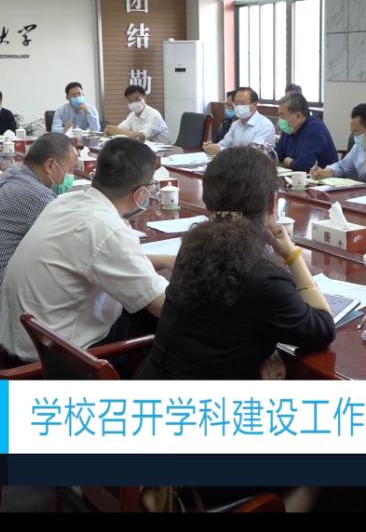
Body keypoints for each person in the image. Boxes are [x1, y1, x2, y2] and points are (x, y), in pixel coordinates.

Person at [136, 146, 335, 379]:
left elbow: (222, 324)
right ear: (273, 203)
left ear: (208, 201)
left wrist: (262, 346)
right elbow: (322, 329)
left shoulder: (192, 250)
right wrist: (292, 255)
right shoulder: (265, 279)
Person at [0, 137, 173, 362]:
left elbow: (101, 257)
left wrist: (164, 260)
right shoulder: (105, 228)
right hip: (59, 360)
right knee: (168, 322)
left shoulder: (65, 203)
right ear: (141, 193)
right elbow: (163, 305)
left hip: (28, 340)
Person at [0, 133, 78, 295]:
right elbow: (68, 247)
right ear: (50, 165)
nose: (71, 176)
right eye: (70, 169)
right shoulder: (39, 196)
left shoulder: (12, 174)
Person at [202, 87, 275, 155]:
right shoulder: (235, 125)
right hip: (235, 162)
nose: (239, 107)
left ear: (254, 104)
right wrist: (211, 147)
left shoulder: (265, 125)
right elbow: (224, 144)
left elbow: (253, 154)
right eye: (236, 104)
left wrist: (220, 150)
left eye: (243, 104)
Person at [274, 93, 337, 172]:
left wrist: (288, 161)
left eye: (282, 115)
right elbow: (278, 155)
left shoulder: (315, 128)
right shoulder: (289, 129)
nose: (280, 119)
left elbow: (304, 166)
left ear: (298, 115)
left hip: (323, 178)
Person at [106, 84, 170, 143]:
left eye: (137, 99)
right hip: (143, 148)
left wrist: (119, 131)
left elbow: (142, 136)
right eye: (130, 101)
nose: (133, 103)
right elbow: (121, 128)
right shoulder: (132, 115)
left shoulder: (154, 115)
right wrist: (113, 131)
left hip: (162, 150)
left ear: (144, 97)